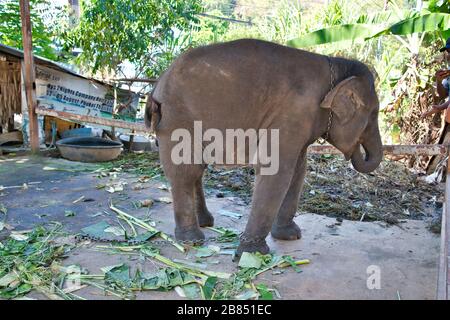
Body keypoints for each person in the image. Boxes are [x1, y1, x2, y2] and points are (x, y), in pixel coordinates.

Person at [421, 37, 450, 118]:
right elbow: (443, 95)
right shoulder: (447, 73)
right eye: (448, 51)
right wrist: (439, 81)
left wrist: (440, 107)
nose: (449, 54)